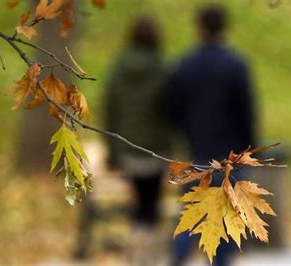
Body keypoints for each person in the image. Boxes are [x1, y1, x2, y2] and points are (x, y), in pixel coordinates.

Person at [167, 4, 256, 266]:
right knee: (227, 223)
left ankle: (177, 260)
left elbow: (174, 109)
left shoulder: (186, 65)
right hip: (232, 157)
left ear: (200, 28)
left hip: (198, 153)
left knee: (191, 214)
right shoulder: (237, 66)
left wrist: (187, 131)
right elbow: (247, 113)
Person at [104, 17, 171, 265]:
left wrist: (112, 151)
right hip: (155, 149)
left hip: (127, 148)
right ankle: (148, 253)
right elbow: (169, 108)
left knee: (139, 201)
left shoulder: (119, 67)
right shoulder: (161, 68)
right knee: (151, 202)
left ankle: (137, 250)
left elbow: (111, 110)